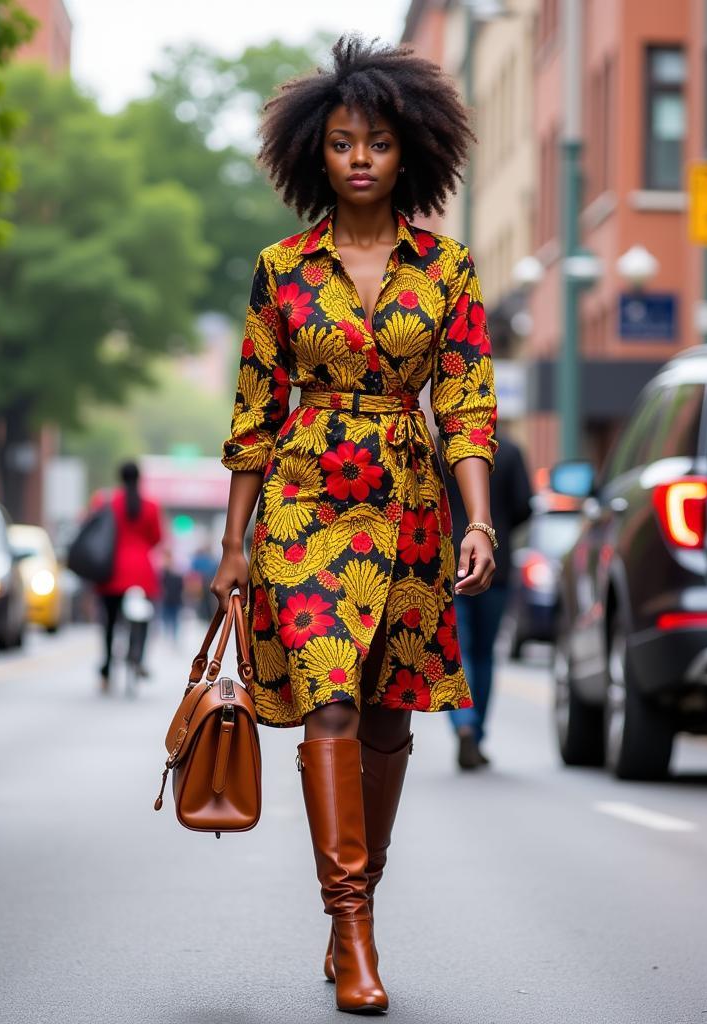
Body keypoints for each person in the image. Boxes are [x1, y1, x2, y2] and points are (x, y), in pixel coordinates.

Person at [210, 37, 497, 1015]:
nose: (360, 157)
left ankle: (348, 916)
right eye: (341, 143)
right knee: (329, 702)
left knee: (385, 716)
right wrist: (232, 545)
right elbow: (252, 412)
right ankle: (356, 933)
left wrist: (480, 521)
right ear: (315, 156)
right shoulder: (281, 268)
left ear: (409, 149)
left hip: (411, 505)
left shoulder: (449, 268)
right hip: (306, 500)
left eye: (376, 141)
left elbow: (465, 403)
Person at [446, 435, 532, 769]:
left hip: (448, 562)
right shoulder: (510, 451)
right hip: (495, 563)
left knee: (459, 651)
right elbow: (525, 506)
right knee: (483, 653)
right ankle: (477, 733)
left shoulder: (440, 448)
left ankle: (464, 726)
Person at [93, 462, 162, 689]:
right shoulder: (151, 506)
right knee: (143, 620)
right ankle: (137, 658)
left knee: (110, 624)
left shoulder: (108, 503)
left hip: (112, 574)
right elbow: (156, 538)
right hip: (142, 573)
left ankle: (106, 668)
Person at [158, 550, 184, 643]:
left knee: (174, 620)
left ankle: (174, 639)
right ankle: (166, 638)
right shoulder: (162, 573)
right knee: (165, 619)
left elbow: (181, 586)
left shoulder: (176, 572)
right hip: (166, 600)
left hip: (175, 600)